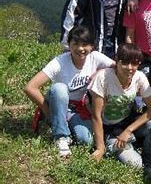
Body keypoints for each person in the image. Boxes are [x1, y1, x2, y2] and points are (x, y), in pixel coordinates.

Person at [24, 25, 114, 157]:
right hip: (58, 101)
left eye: (85, 44)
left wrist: (99, 72)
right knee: (60, 88)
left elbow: (117, 68)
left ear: (92, 46)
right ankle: (61, 136)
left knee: (85, 140)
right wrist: (47, 111)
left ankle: (60, 124)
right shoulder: (60, 62)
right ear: (69, 44)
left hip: (77, 108)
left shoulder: (95, 58)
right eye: (75, 44)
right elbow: (30, 87)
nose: (80, 49)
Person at [89, 43, 151, 180]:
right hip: (109, 129)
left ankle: (150, 164)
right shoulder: (104, 78)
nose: (130, 68)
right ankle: (113, 147)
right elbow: (96, 116)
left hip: (128, 123)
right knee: (135, 164)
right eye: (125, 63)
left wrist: (128, 130)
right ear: (117, 61)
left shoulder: (139, 77)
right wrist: (100, 148)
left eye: (134, 64)